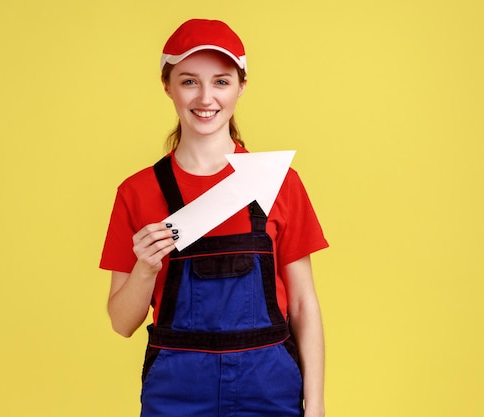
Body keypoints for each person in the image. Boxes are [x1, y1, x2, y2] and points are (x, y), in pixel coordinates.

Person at [100, 18, 329, 417]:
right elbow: (122, 324)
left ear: (241, 86)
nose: (205, 97)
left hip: (270, 390)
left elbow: (304, 304)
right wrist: (144, 269)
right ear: (167, 85)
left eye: (221, 81)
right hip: (176, 393)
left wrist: (317, 404)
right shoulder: (136, 192)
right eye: (189, 81)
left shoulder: (278, 183)